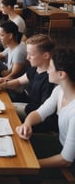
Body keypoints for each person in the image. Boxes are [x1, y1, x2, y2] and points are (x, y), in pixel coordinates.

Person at [16, 48, 75, 180]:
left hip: (68, 162)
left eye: (50, 67)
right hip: (58, 142)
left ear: (62, 74)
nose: (47, 70)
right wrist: (27, 123)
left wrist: (30, 165)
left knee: (24, 170)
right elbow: (39, 113)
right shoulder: (59, 89)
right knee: (16, 145)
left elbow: (66, 160)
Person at [0, 34, 57, 133]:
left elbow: (42, 110)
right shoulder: (35, 68)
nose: (27, 58)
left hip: (38, 118)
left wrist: (13, 106)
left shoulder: (51, 79)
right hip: (28, 104)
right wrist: (4, 83)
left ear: (46, 55)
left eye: (31, 54)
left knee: (3, 110)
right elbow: (19, 81)